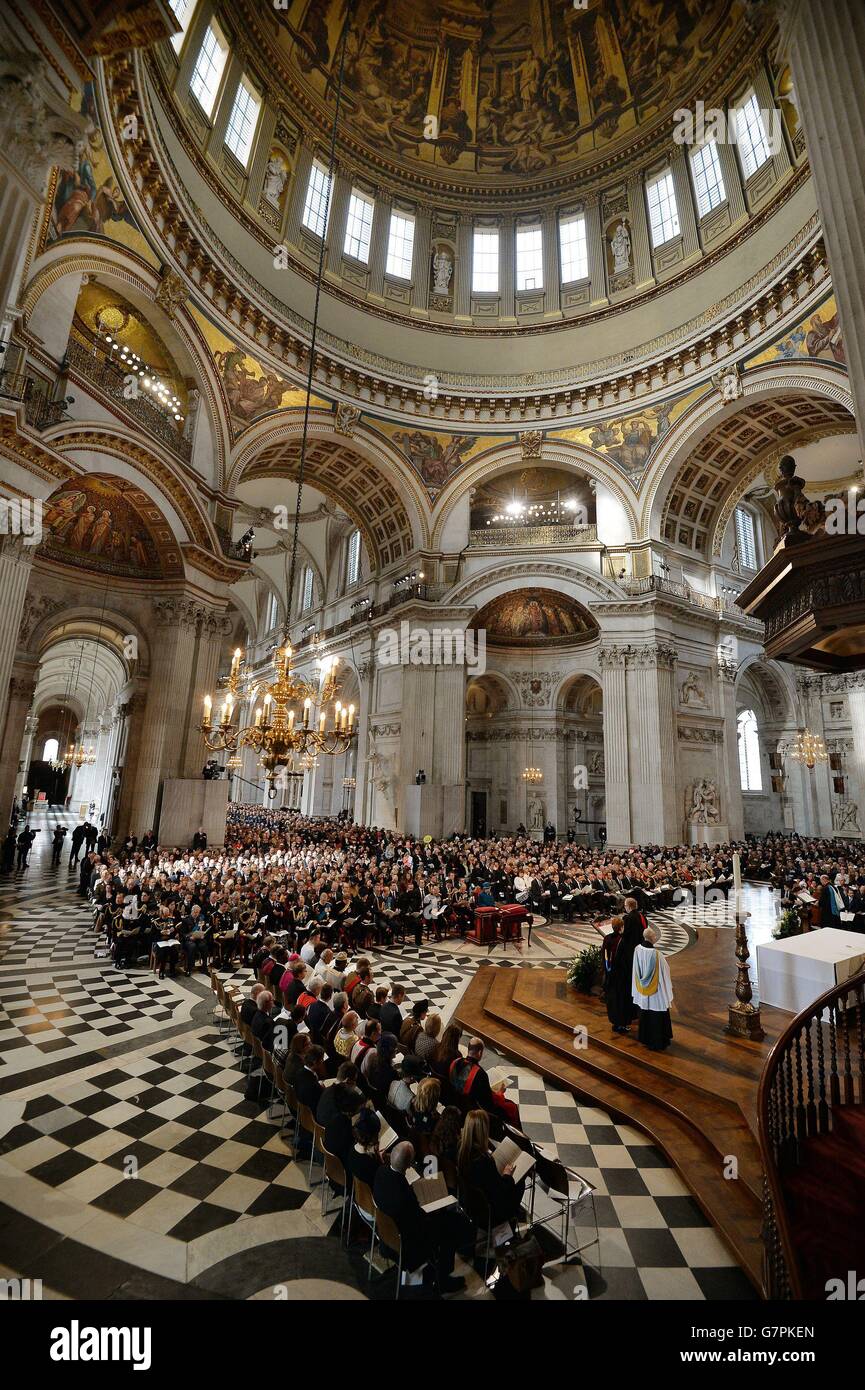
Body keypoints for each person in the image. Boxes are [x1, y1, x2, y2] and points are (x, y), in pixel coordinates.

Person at [373, 1140, 466, 1294]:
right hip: (409, 1245)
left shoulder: (380, 1172)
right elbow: (419, 1222)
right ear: (409, 1165)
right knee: (449, 1229)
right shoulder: (404, 1196)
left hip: (386, 1235)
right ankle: (444, 1280)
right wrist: (433, 1212)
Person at [457, 1108, 524, 1226]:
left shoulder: (461, 1149)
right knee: (519, 1183)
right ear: (483, 1131)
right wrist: (507, 1175)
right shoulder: (483, 1160)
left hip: (469, 1203)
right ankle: (510, 1221)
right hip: (489, 1212)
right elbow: (499, 1191)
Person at [632, 925, 674, 1052]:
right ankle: (657, 1042)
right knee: (656, 1016)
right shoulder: (657, 955)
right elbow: (665, 972)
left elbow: (635, 969)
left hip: (643, 991)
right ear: (652, 938)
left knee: (646, 1013)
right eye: (655, 935)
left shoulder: (637, 949)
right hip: (656, 992)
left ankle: (645, 1038)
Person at [594, 914, 633, 1033]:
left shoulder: (607, 938)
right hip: (621, 975)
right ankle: (622, 1024)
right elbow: (627, 959)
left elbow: (604, 955)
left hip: (610, 974)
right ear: (621, 927)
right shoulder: (623, 940)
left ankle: (615, 1022)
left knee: (613, 1000)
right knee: (622, 1000)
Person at [449, 1037, 494, 1111]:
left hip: (452, 1101)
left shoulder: (455, 1062)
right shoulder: (480, 1074)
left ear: (468, 1049)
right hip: (470, 1111)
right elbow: (487, 1102)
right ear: (480, 1052)